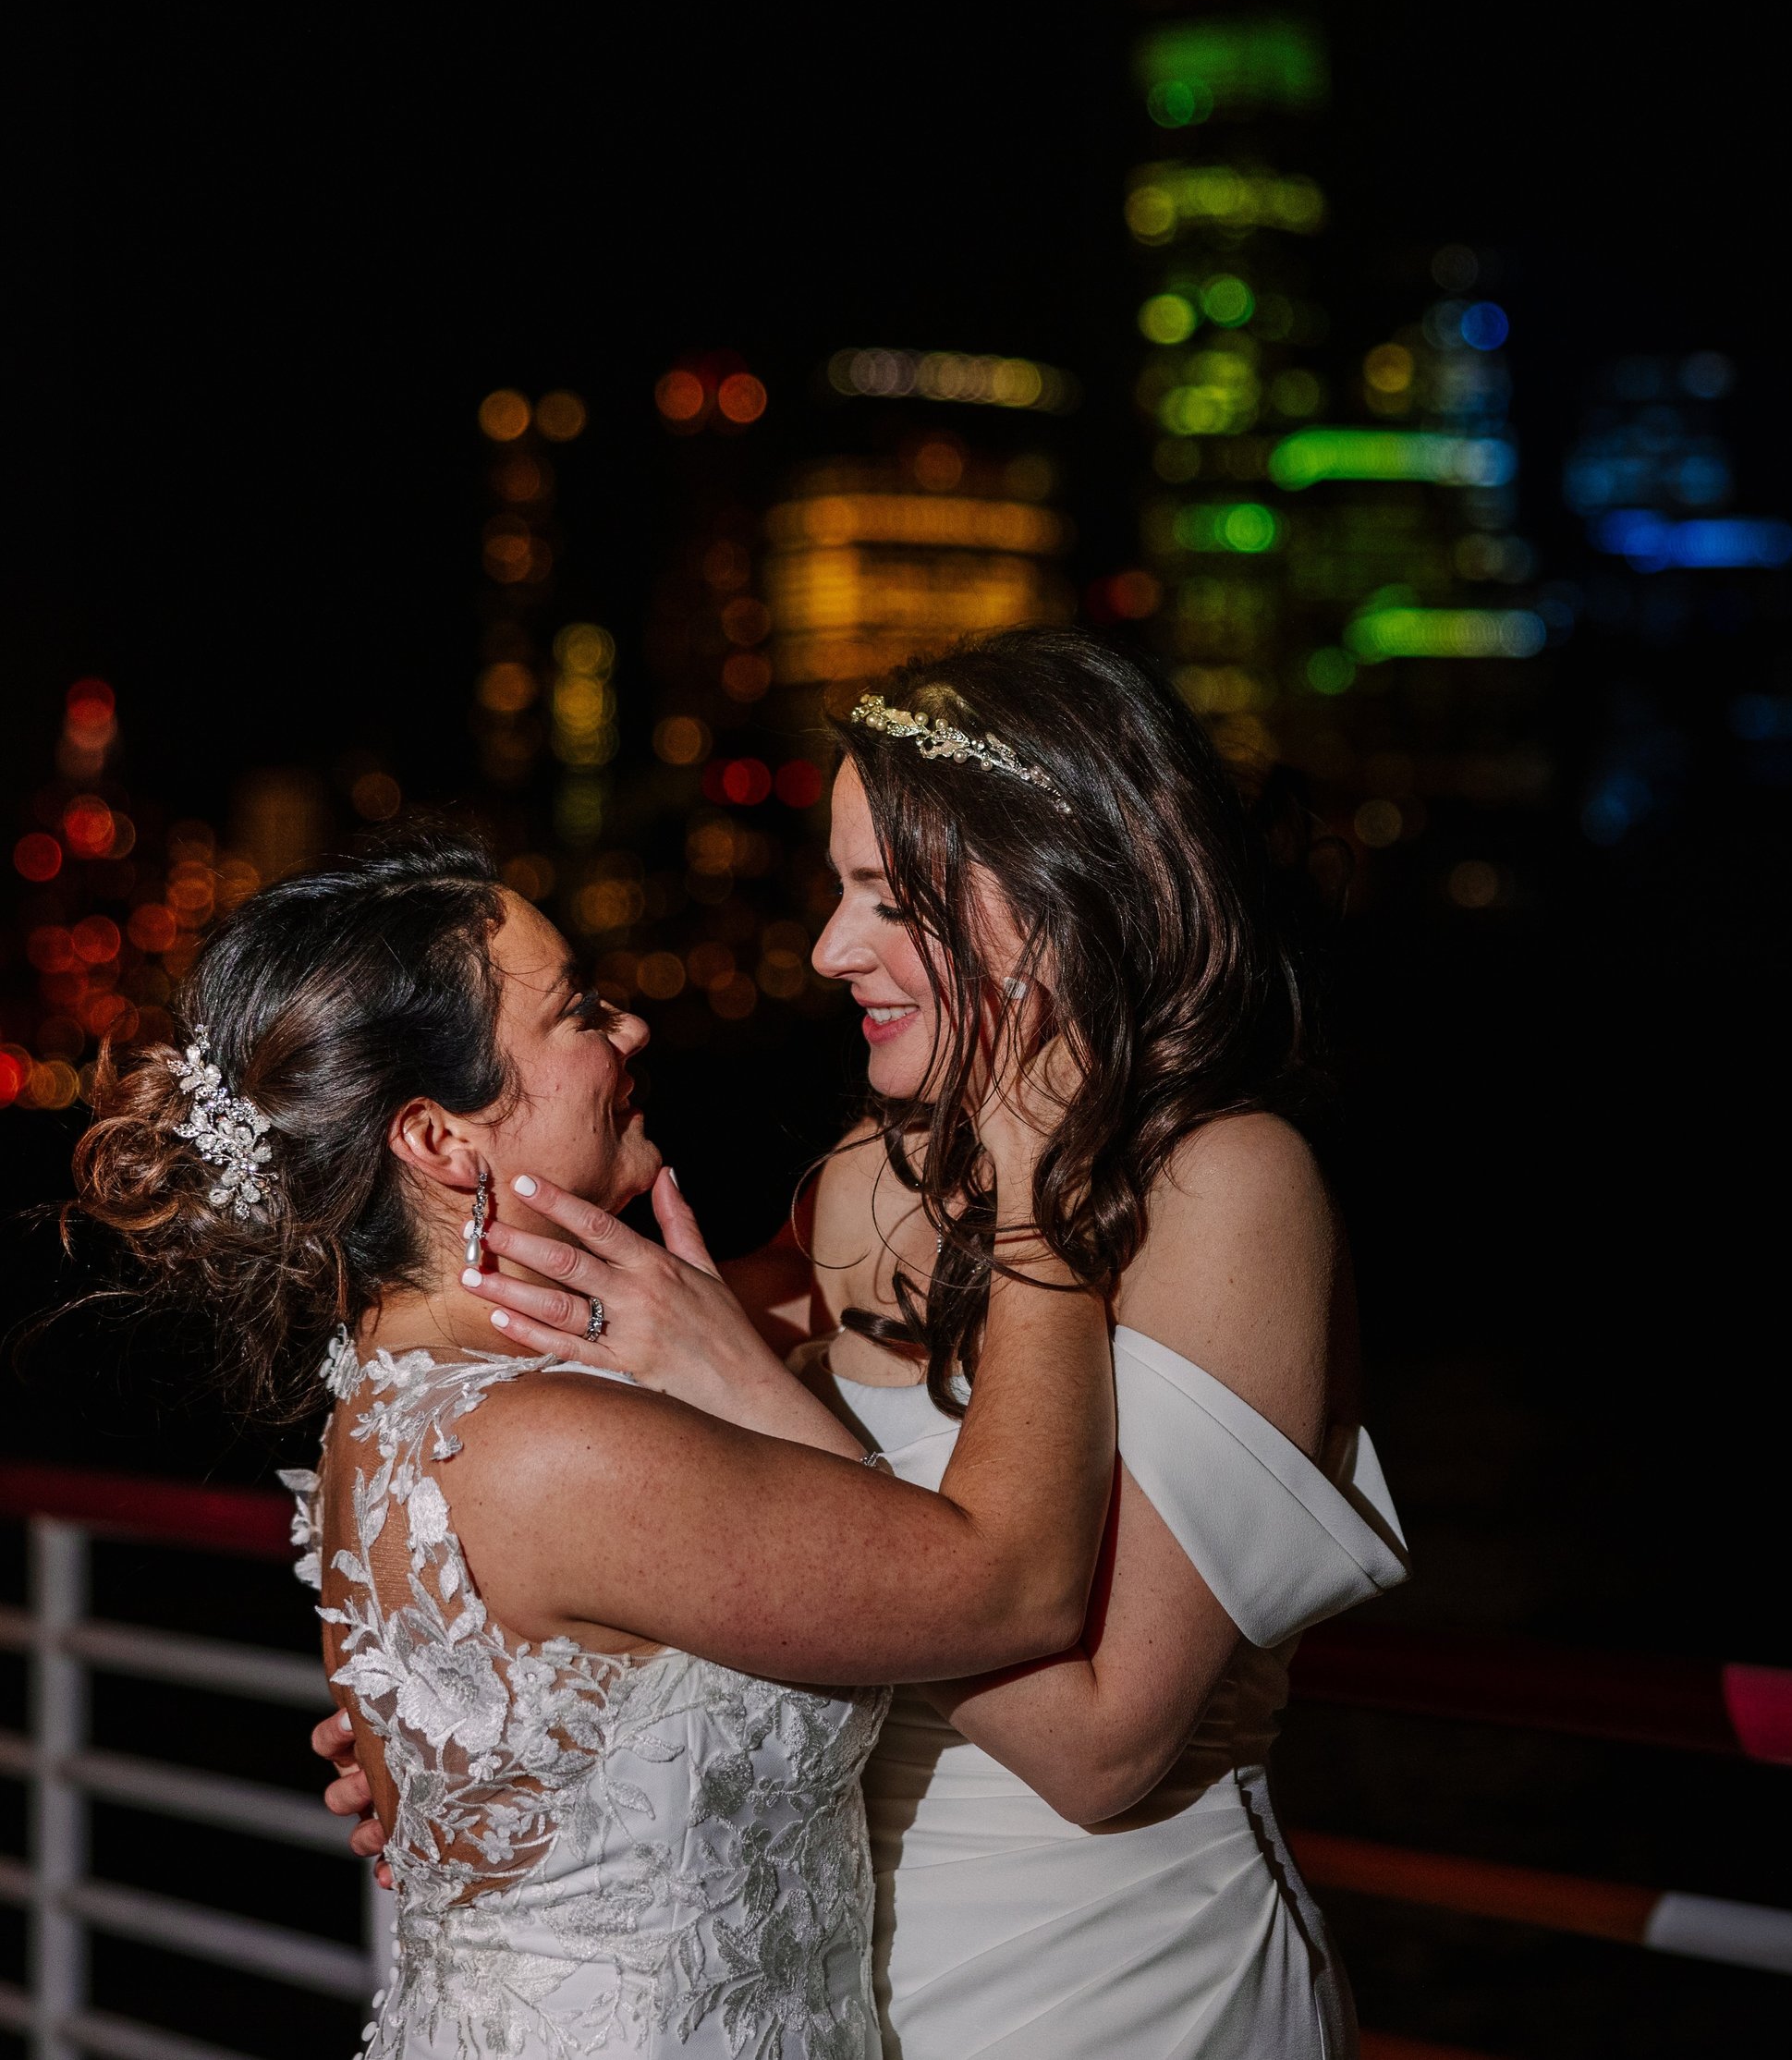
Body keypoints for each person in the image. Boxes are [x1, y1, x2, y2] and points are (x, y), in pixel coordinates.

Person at [327, 630, 1410, 2059]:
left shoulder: (1229, 1189)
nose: (832, 950)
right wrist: (477, 1743)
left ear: (1052, 903)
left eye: (885, 901)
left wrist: (760, 1398)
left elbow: (1098, 1748)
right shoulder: (868, 1175)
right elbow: (624, 1509)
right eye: (836, 892)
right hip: (833, 1975)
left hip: (1117, 1976)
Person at [71, 826, 1115, 2060]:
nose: (632, 1032)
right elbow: (1020, 1585)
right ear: (440, 1140)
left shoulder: (410, 1402)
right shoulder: (541, 1444)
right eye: (578, 1012)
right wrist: (1043, 1179)